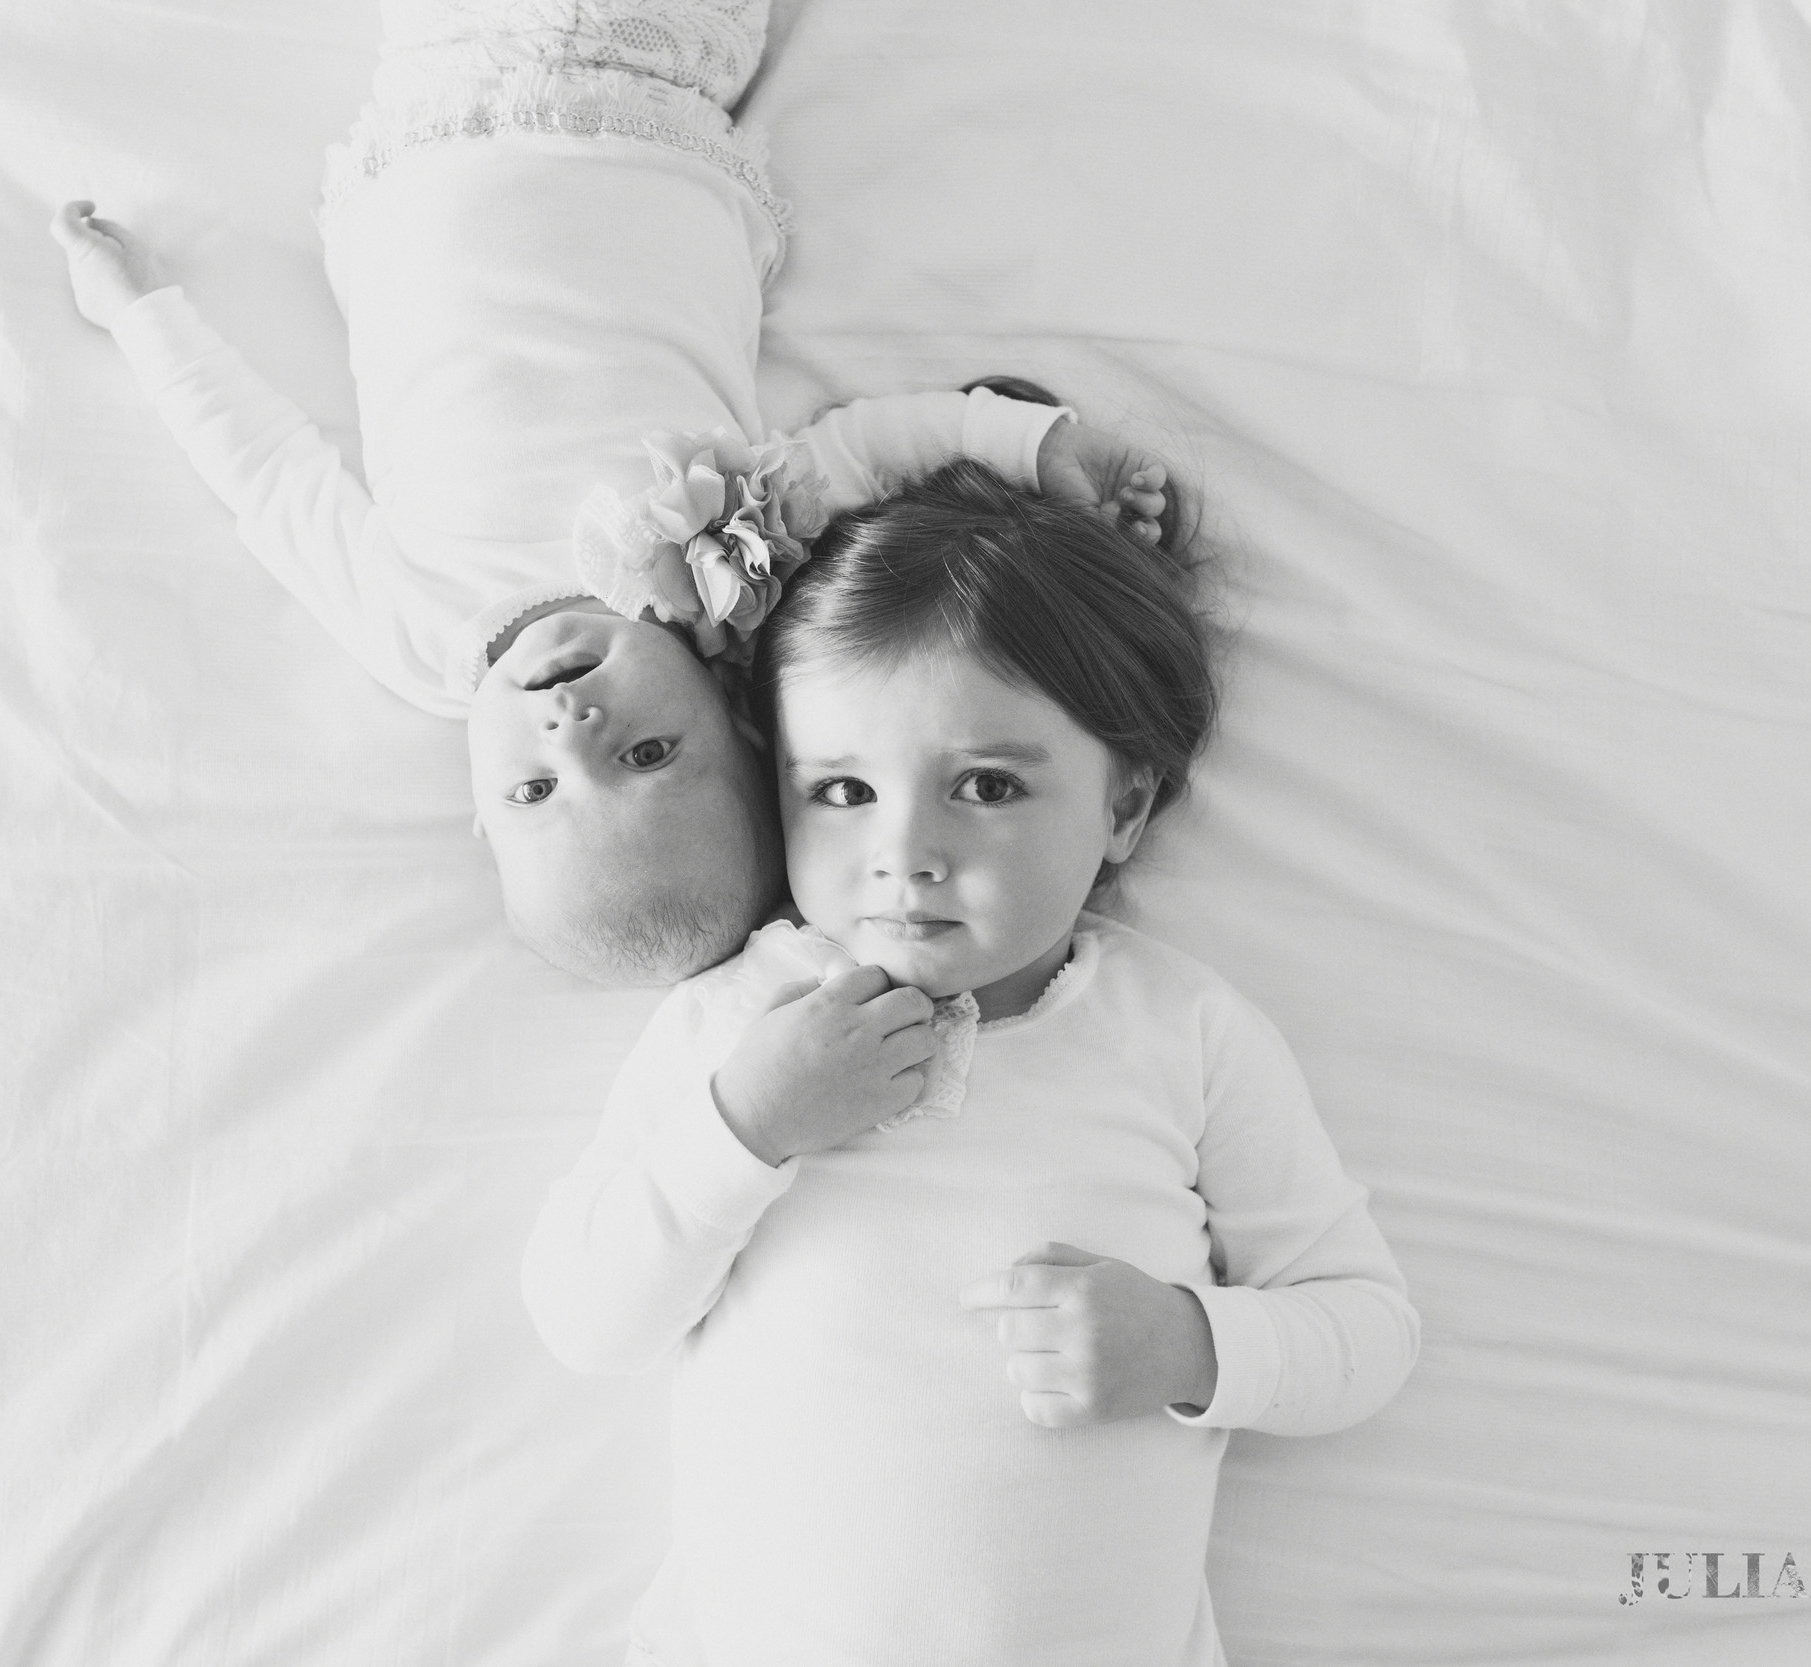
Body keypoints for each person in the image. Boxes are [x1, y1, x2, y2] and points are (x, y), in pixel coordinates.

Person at [47, 0, 1172, 985]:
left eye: (535, 792)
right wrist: (1029, 442)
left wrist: (140, 316)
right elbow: (870, 446)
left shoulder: (419, 632)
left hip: (445, 92)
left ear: (482, 813)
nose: (571, 731)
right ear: (735, 718)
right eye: (646, 757)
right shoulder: (737, 568)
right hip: (658, 83)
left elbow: (263, 471)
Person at [522, 460, 1421, 1665]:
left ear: (1123, 806)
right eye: (842, 789)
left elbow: (1366, 1329)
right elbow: (586, 1319)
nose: (904, 852)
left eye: (986, 786)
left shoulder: (1179, 1033)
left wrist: (1190, 1341)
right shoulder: (736, 1023)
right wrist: (745, 1125)